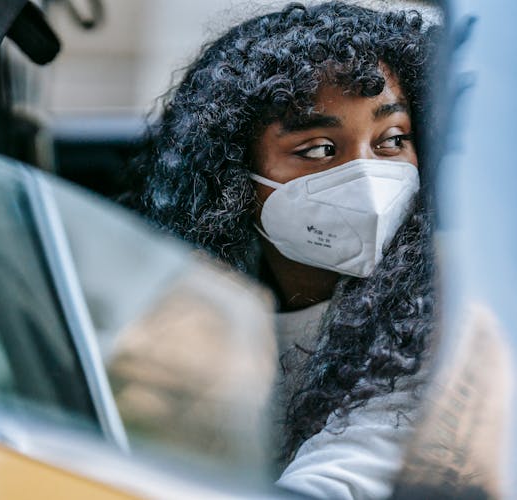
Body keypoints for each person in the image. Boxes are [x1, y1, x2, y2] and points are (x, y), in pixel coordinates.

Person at [125, 2, 439, 498]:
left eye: (392, 139)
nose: (366, 177)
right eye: (318, 149)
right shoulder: (181, 307)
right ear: (232, 175)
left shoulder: (434, 312)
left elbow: (348, 476)